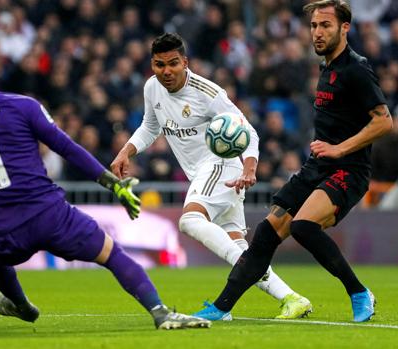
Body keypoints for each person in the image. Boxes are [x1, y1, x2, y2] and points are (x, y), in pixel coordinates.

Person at [0, 38, 210, 330]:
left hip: (3, 231)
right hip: (50, 216)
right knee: (111, 253)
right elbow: (66, 147)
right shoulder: (23, 106)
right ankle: (159, 311)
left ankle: (21, 304)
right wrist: (112, 184)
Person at [193, 0, 393, 323]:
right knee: (265, 235)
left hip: (348, 169)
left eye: (325, 25)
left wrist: (340, 149)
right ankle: (220, 308)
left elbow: (384, 121)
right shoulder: (326, 67)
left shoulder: (356, 68)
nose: (317, 32)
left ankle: (359, 292)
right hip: (317, 166)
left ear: (345, 28)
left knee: (303, 225)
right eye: (314, 26)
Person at [111, 33, 312, 320]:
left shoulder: (208, 93)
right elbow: (150, 126)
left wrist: (250, 167)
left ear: (185, 62)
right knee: (239, 246)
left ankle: (224, 306)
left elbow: (249, 131)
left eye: (173, 64)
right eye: (159, 65)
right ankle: (292, 298)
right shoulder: (152, 88)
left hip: (222, 165)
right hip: (205, 175)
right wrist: (126, 152)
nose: (166, 71)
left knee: (190, 220)